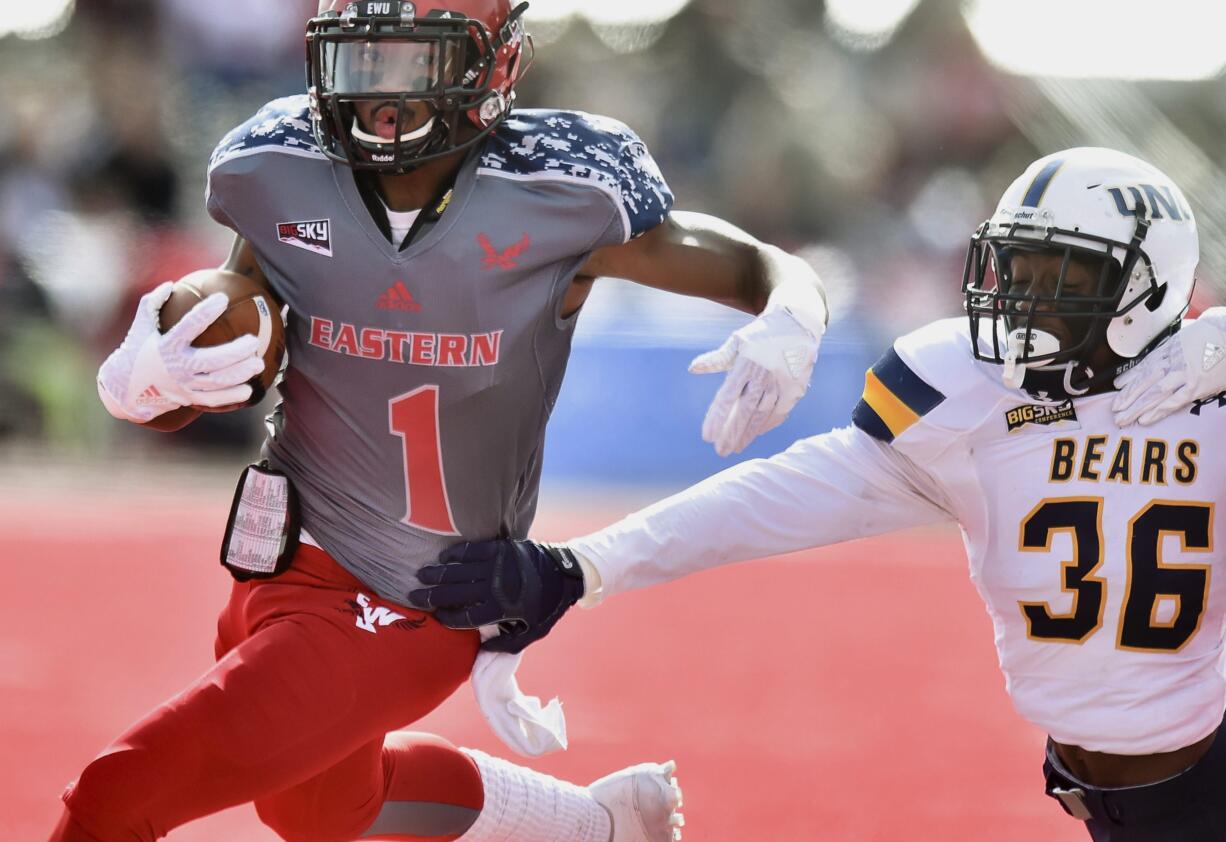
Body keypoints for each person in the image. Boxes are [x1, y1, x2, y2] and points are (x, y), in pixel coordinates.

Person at [57, 1, 831, 840]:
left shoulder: (561, 189)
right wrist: (149, 380)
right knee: (315, 810)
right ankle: (599, 827)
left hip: (412, 596)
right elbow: (229, 352)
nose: (380, 98)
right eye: (360, 64)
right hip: (274, 561)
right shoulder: (276, 168)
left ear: (492, 65)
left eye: (410, 63)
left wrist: (794, 308)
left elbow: (760, 265)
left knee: (116, 797)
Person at [411, 147, 1226, 841]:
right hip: (1122, 796)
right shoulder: (973, 401)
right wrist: (579, 565)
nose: (1025, 302)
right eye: (1020, 269)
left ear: (1152, 288)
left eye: (1065, 276)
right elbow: (774, 498)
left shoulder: (1209, 406)